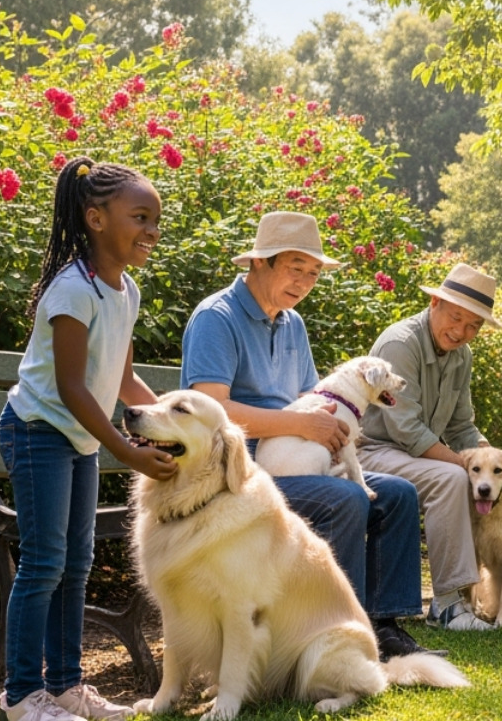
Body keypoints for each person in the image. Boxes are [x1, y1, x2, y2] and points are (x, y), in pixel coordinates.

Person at [181, 212, 432, 659]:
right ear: (259, 263)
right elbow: (211, 414)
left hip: (296, 461)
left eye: (313, 273)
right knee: (346, 499)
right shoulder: (216, 319)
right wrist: (299, 424)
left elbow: (307, 396)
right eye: (295, 268)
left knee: (398, 494)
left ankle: (382, 625)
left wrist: (328, 424)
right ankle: (330, 630)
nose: (305, 281)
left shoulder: (291, 322)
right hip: (238, 475)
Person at [0, 158, 179, 721]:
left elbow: (123, 384)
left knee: (76, 566)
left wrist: (179, 424)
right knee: (45, 564)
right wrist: (126, 449)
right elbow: (73, 389)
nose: (151, 230)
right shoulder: (73, 289)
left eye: (156, 220)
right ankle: (20, 701)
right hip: (40, 431)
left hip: (77, 437)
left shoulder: (126, 289)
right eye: (139, 216)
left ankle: (67, 687)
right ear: (95, 218)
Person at [358, 263, 502, 633]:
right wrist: (465, 466)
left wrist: (495, 461)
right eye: (456, 317)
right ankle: (448, 605)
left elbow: (461, 425)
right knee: (452, 478)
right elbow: (406, 429)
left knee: (481, 476)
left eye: (474, 326)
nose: (462, 331)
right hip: (372, 450)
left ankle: (469, 598)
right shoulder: (400, 343)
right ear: (435, 302)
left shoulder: (461, 356)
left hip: (410, 455)